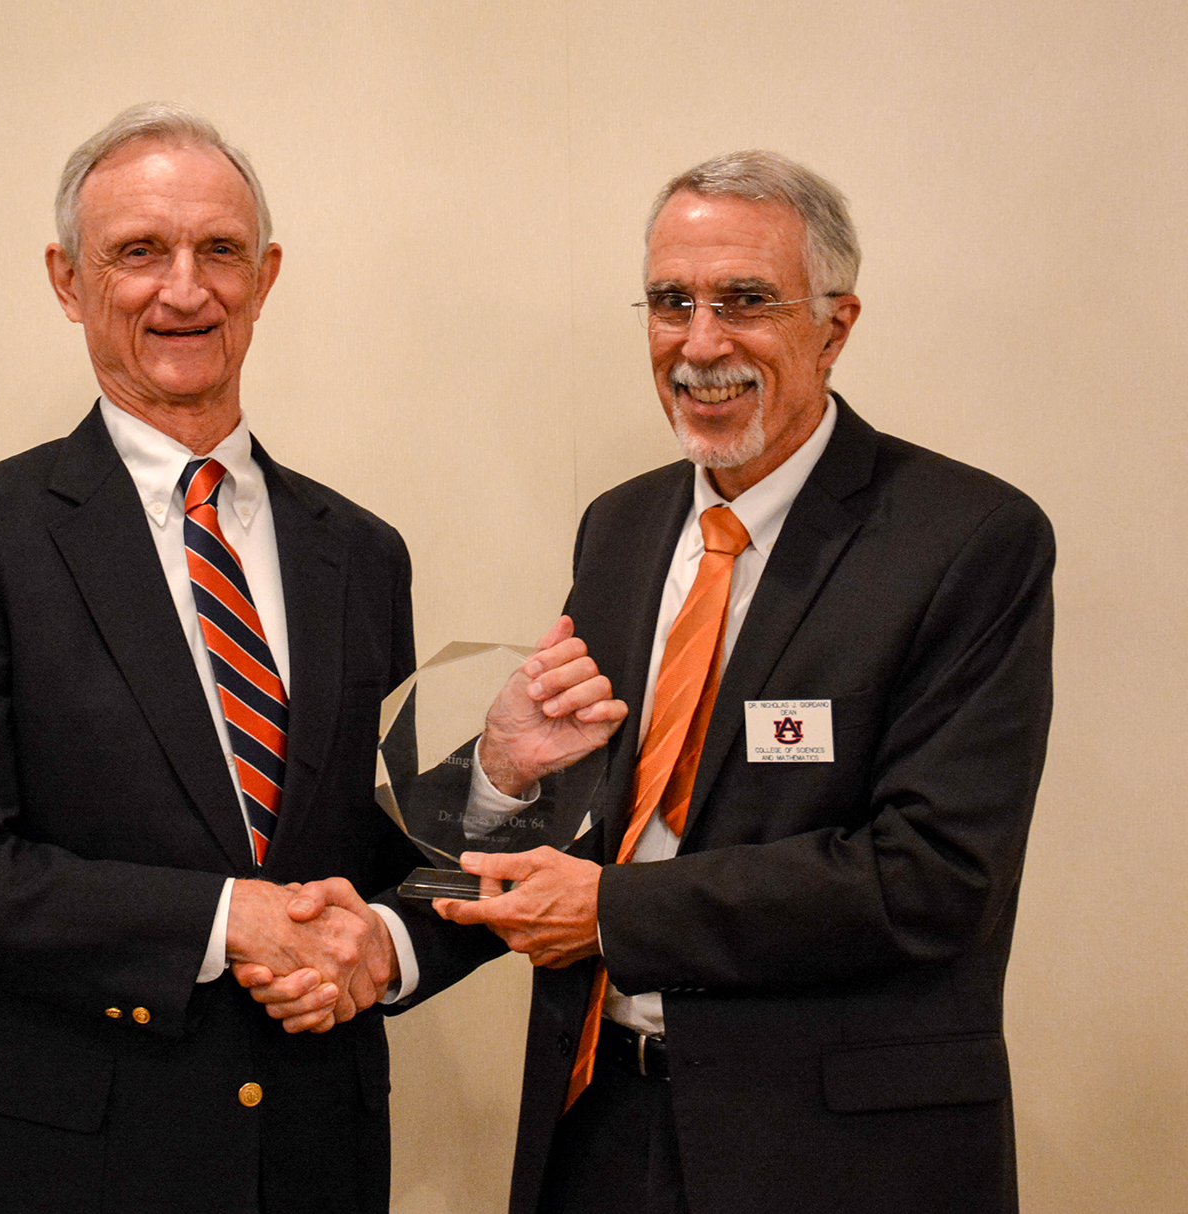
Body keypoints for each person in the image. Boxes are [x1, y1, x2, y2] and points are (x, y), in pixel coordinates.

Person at [0, 103, 622, 1214]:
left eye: (219, 250)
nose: (185, 288)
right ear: (68, 280)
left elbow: (375, 860)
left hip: (316, 1157)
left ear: (264, 276)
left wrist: (495, 780)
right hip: (68, 1167)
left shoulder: (360, 550)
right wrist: (228, 919)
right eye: (138, 252)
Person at [429, 152, 1055, 1214]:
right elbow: (591, 807)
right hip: (598, 1128)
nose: (700, 344)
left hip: (832, 1155)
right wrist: (498, 772)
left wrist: (617, 912)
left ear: (836, 324)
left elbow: (935, 872)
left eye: (745, 302)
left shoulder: (969, 539)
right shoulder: (620, 527)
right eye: (671, 302)